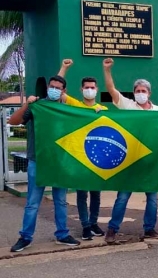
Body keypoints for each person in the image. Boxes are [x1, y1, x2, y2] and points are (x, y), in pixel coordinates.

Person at [9, 75, 81, 252]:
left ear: (64, 91)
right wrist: (28, 103)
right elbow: (13, 121)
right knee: (33, 202)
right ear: (48, 87)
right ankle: (25, 237)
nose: (54, 89)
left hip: (59, 162)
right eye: (52, 86)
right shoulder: (38, 106)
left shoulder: (68, 109)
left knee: (61, 201)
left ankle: (62, 234)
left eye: (58, 87)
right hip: (38, 161)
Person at [102, 58, 158, 244]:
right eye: (137, 91)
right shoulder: (128, 105)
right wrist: (107, 70)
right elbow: (112, 90)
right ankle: (112, 229)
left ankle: (149, 229)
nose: (140, 94)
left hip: (150, 162)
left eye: (143, 91)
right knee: (122, 197)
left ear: (149, 93)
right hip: (129, 160)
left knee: (152, 199)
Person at [57, 59, 108, 240]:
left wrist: (102, 113)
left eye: (92, 87)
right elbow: (57, 92)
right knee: (81, 194)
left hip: (96, 159)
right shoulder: (74, 105)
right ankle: (85, 225)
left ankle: (94, 223)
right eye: (86, 87)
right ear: (81, 89)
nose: (89, 90)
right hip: (79, 157)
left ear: (96, 89)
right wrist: (64, 68)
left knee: (96, 194)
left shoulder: (103, 109)